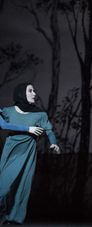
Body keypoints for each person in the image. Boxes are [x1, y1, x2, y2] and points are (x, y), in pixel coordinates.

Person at [0, 82, 60, 225]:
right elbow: (2, 125)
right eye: (30, 90)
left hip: (27, 153)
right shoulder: (8, 111)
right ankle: (3, 213)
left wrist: (53, 143)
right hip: (11, 151)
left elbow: (49, 130)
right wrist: (28, 129)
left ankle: (12, 217)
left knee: (22, 185)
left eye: (34, 90)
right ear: (21, 93)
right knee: (3, 186)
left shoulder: (39, 114)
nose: (34, 93)